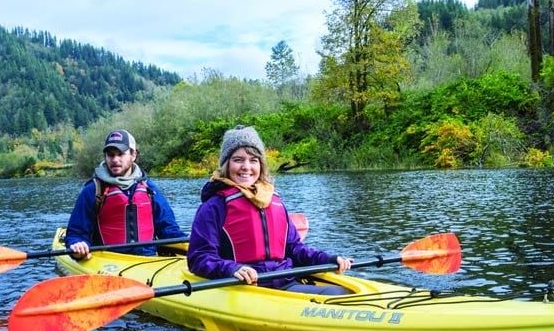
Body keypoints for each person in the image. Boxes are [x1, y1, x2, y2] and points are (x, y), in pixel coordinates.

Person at [187, 125, 352, 295]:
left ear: (261, 165)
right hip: (241, 289)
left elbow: (294, 249)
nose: (246, 166)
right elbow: (199, 258)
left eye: (253, 160)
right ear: (226, 165)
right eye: (238, 160)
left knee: (342, 293)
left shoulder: (274, 201)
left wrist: (328, 259)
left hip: (285, 284)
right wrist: (231, 269)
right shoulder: (214, 206)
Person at [65, 129, 186, 258]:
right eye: (110, 155)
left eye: (121, 154)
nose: (115, 160)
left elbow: (169, 230)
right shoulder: (92, 190)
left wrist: (192, 244)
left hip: (148, 261)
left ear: (133, 155)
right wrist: (77, 244)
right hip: (107, 262)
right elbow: (76, 233)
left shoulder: (149, 188)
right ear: (105, 157)